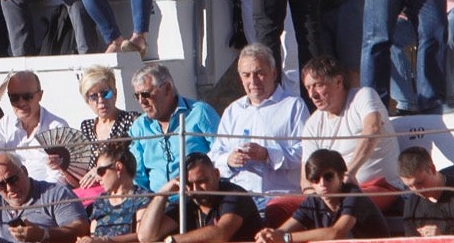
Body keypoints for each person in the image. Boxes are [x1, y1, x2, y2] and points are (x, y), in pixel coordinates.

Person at [208, 44, 309, 211]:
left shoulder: (293, 105)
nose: (253, 81)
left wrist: (268, 154)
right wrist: (229, 160)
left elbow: (306, 154)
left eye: (259, 73)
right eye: (246, 75)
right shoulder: (233, 111)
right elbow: (214, 156)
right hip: (240, 198)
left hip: (279, 198)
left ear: (274, 73)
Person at [300, 55, 401, 205]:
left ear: (339, 82)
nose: (312, 94)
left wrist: (348, 174)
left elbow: (372, 128)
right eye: (308, 87)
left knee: (348, 201)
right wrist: (315, 200)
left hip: (380, 187)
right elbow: (305, 179)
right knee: (277, 207)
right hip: (331, 195)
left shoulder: (363, 96)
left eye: (318, 85)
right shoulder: (312, 124)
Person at [137, 152, 264, 243]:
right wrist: (163, 193)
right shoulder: (188, 201)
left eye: (202, 181)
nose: (195, 189)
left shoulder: (234, 195)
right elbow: (146, 236)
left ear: (216, 174)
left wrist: (173, 241)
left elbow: (221, 233)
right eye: (189, 183)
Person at [254, 148, 388, 243]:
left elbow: (336, 232)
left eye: (328, 177)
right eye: (315, 179)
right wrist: (268, 236)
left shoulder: (353, 195)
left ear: (341, 176)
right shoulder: (313, 201)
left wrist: (286, 239)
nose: (322, 183)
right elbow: (283, 230)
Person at [0, 152, 89, 243]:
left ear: (24, 171)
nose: (9, 188)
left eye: (12, 180)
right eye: (1, 185)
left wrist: (43, 235)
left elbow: (81, 229)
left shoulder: (56, 194)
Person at [128, 63, 220, 191]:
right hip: (157, 201)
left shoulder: (200, 113)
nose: (141, 102)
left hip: (196, 196)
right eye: (137, 96)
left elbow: (222, 153)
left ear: (167, 89)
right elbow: (138, 174)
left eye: (146, 94)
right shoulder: (140, 126)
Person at [0, 71, 70, 183]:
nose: (21, 102)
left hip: (45, 195)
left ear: (40, 95)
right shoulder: (6, 123)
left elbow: (58, 179)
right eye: (14, 98)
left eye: (27, 97)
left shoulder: (57, 127)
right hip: (10, 194)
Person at [69, 68, 139, 188]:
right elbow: (82, 178)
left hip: (121, 189)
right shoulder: (86, 127)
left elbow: (135, 163)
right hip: (93, 194)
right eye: (93, 96)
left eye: (106, 93)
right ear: (87, 100)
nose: (101, 101)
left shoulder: (131, 120)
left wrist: (99, 170)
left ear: (115, 94)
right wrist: (62, 168)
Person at [74, 145, 151, 243]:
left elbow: (141, 235)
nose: (98, 178)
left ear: (118, 168)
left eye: (101, 171)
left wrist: (104, 241)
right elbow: (93, 235)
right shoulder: (100, 201)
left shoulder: (143, 198)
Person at [398, 145, 454, 236]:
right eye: (410, 186)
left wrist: (442, 239)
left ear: (432, 169)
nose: (417, 190)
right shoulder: (411, 205)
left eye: (420, 183)